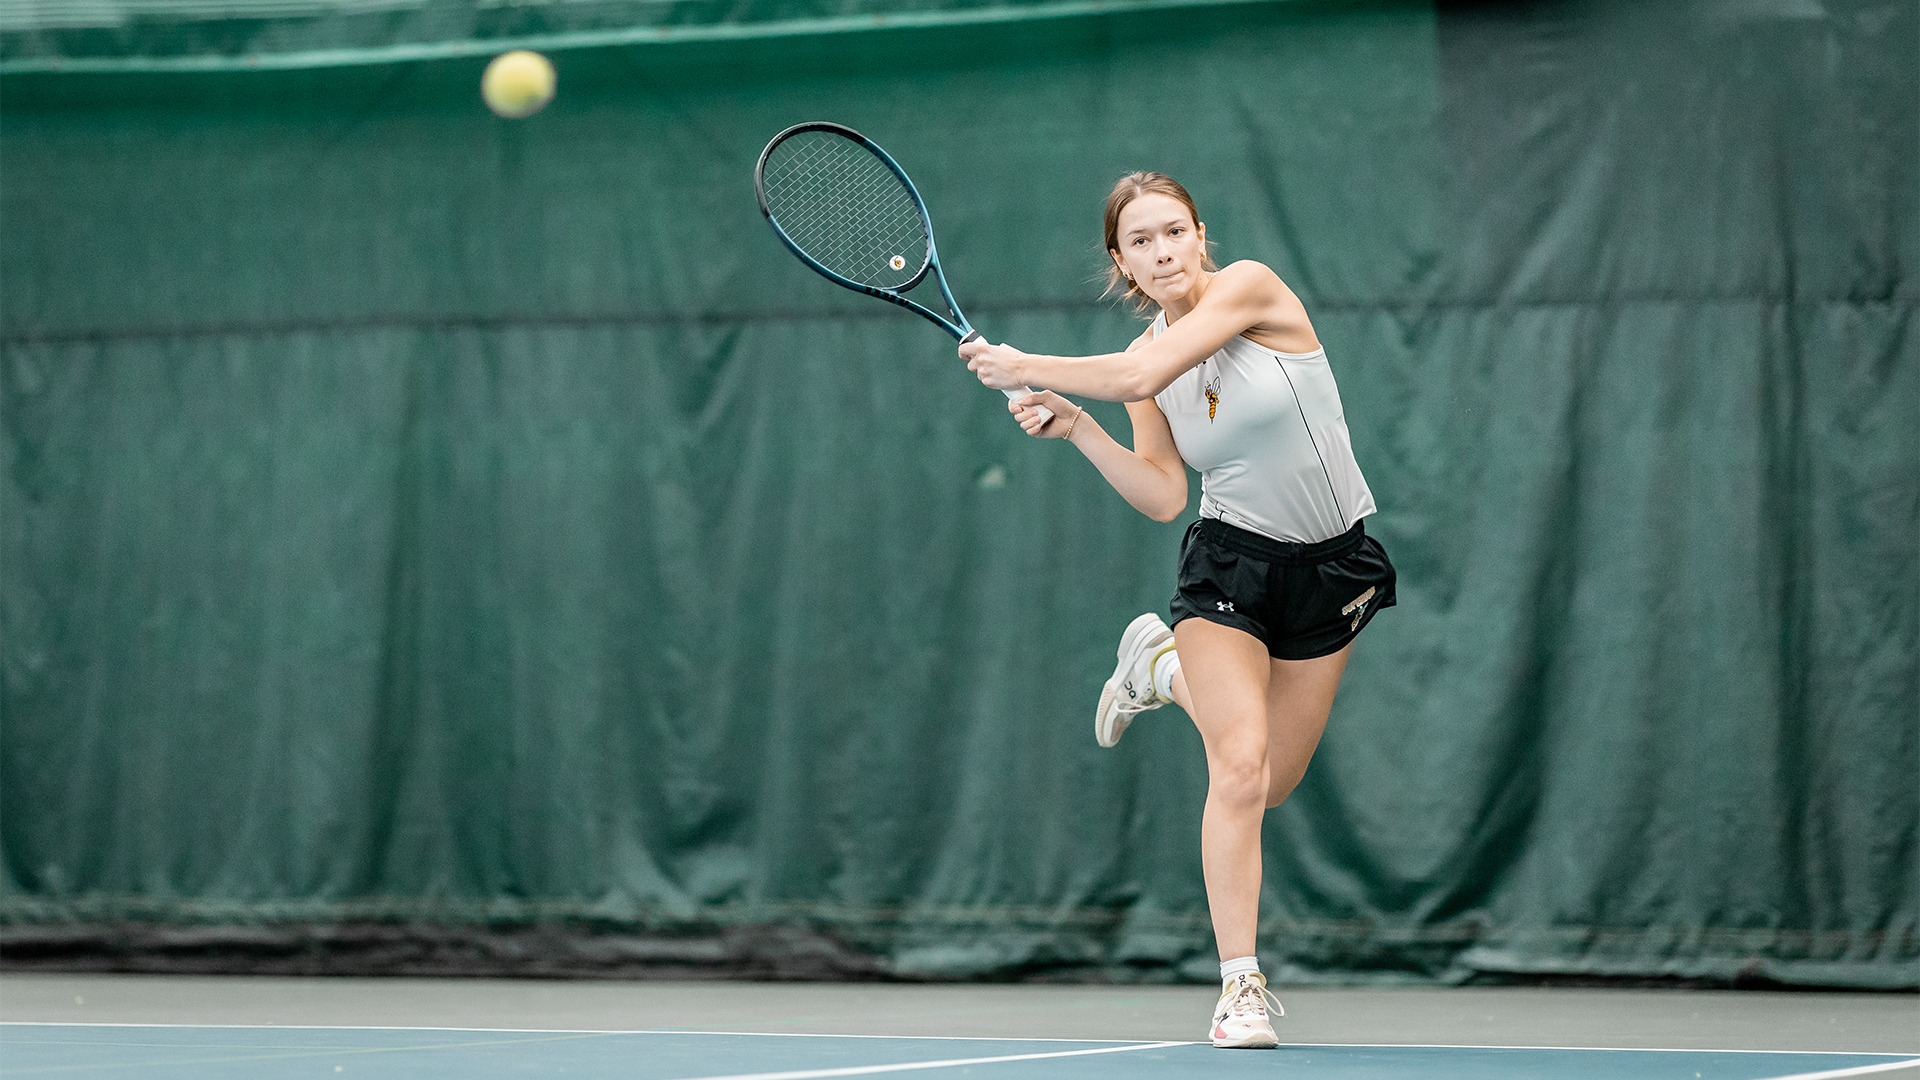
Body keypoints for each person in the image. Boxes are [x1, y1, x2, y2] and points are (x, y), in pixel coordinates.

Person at [959, 172, 1396, 1050]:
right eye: (1140, 242)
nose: (1161, 253)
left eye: (1172, 232)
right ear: (1120, 261)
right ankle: (1240, 986)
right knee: (1237, 768)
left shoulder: (1252, 289)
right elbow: (1164, 494)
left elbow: (1140, 370)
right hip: (1230, 563)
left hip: (1333, 564)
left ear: (1201, 234)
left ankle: (1156, 668)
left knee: (1274, 780)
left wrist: (1023, 365)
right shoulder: (1142, 361)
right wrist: (1078, 426)